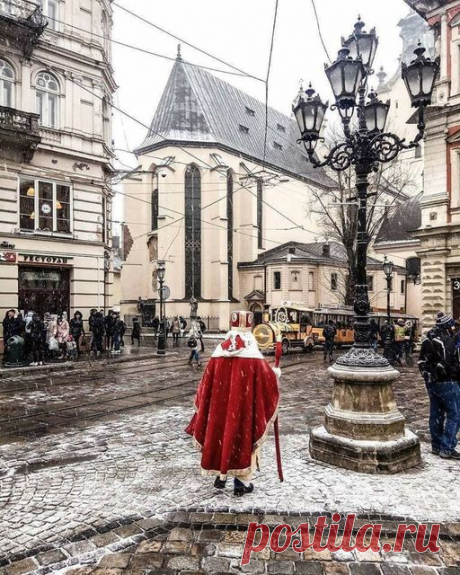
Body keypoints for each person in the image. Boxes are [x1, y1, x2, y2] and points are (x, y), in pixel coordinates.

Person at [186, 311, 281, 496]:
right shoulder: (252, 353)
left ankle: (220, 474)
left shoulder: (218, 352)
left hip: (219, 410)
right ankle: (241, 483)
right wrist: (275, 374)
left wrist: (210, 403)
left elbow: (204, 385)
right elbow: (267, 380)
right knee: (241, 439)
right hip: (243, 408)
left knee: (219, 434)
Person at [418, 312, 460, 459]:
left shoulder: (428, 338)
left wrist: (428, 376)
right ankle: (447, 447)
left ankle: (436, 445)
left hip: (432, 383)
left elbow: (421, 362)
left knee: (436, 414)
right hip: (447, 382)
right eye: (452, 325)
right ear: (448, 326)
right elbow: (449, 362)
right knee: (455, 415)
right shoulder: (447, 341)